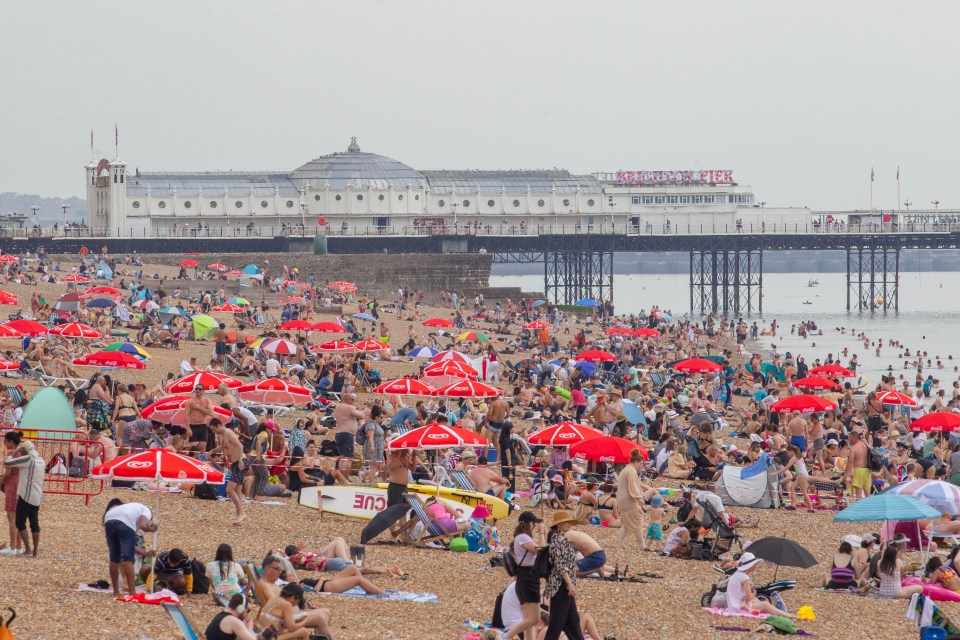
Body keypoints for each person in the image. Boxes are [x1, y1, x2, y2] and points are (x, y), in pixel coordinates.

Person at [505, 511, 547, 640]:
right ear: (528, 523)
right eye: (534, 523)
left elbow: (542, 546)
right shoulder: (522, 537)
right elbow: (542, 550)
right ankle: (505, 636)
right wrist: (541, 532)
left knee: (529, 618)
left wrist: (543, 532)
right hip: (527, 577)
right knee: (533, 618)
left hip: (529, 576)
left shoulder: (525, 538)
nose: (535, 525)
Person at [542, 511, 584, 640]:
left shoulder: (559, 538)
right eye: (567, 521)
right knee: (557, 622)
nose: (569, 524)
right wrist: (570, 584)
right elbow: (560, 565)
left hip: (561, 584)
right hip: (561, 585)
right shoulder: (558, 539)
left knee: (572, 621)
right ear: (558, 524)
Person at [102, 498, 157, 596]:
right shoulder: (146, 510)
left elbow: (129, 545)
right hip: (123, 521)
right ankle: (132, 592)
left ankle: (115, 592)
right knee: (128, 558)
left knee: (114, 558)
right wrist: (151, 528)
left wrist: (145, 553)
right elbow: (143, 525)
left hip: (109, 519)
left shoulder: (131, 509)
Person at [4, 439, 44, 557]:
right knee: (34, 523)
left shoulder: (28, 459)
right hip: (37, 496)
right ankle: (35, 551)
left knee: (20, 522)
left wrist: (16, 451)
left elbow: (8, 463)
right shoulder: (41, 460)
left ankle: (27, 549)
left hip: (25, 495)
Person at [726, 552, 798, 618]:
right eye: (754, 564)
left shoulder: (738, 574)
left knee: (763, 604)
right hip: (737, 607)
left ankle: (784, 613)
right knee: (765, 604)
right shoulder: (744, 578)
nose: (755, 566)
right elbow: (749, 598)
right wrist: (754, 592)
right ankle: (788, 615)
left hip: (733, 604)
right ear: (749, 566)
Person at [210, 419, 247, 526]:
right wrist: (212, 451)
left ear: (219, 426)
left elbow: (240, 446)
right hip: (235, 464)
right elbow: (223, 447)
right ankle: (239, 516)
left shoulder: (228, 432)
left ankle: (242, 513)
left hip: (241, 462)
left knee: (229, 489)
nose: (214, 432)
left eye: (214, 429)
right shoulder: (221, 435)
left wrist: (240, 460)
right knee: (237, 490)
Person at [616, 449, 648, 550]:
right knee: (638, 520)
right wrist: (639, 497)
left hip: (622, 499)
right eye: (640, 463)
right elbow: (633, 485)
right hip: (628, 499)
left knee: (626, 523)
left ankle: (620, 544)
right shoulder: (631, 470)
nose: (641, 465)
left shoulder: (626, 469)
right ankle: (642, 545)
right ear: (635, 462)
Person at [0, 430, 22, 555]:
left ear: (11, 442)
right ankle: (18, 546)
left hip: (12, 485)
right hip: (19, 485)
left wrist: (1, 482)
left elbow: (7, 474)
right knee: (19, 517)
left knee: (11, 517)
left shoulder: (11, 455)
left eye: (5, 441)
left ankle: (13, 547)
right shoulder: (21, 453)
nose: (4, 443)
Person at [333, 393, 365, 476]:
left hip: (339, 433)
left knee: (342, 457)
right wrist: (363, 411)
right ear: (347, 399)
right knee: (348, 458)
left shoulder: (338, 406)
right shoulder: (349, 407)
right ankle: (345, 477)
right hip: (347, 434)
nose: (353, 401)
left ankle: (341, 477)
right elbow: (361, 416)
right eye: (352, 399)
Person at [185, 384, 214, 454]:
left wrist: (198, 407)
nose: (198, 390)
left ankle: (201, 462)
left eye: (200, 389)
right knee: (192, 447)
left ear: (203, 391)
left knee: (202, 446)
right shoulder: (190, 401)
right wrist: (188, 428)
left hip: (203, 425)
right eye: (196, 389)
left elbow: (210, 413)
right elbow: (186, 415)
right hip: (193, 425)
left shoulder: (207, 400)